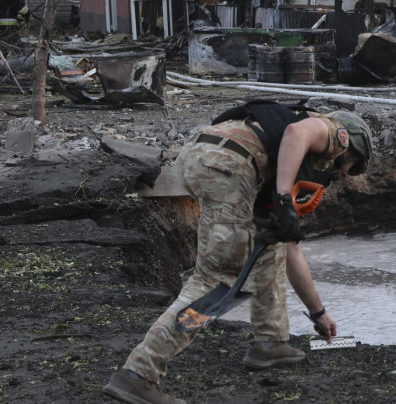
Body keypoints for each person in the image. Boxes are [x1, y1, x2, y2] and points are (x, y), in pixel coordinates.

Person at [103, 102, 373, 404]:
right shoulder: (332, 131)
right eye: (353, 167)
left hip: (206, 160)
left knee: (271, 245)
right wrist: (284, 197)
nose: (345, 176)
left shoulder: (279, 160)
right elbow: (298, 132)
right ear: (353, 147)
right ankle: (138, 374)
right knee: (215, 278)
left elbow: (291, 249)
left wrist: (318, 313)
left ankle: (270, 343)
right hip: (229, 167)